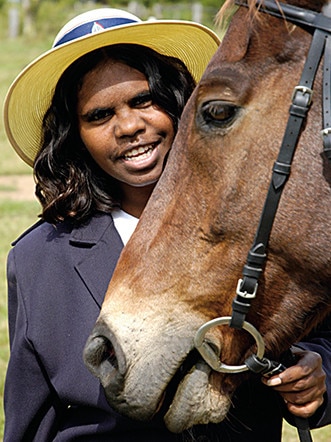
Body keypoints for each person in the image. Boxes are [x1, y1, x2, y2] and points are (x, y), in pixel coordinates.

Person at [2, 7, 330, 442]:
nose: (130, 126)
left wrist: (318, 377)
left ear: (178, 101)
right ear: (74, 134)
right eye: (99, 115)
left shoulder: (255, 218)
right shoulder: (38, 258)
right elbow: (31, 416)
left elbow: (318, 324)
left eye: (144, 100)